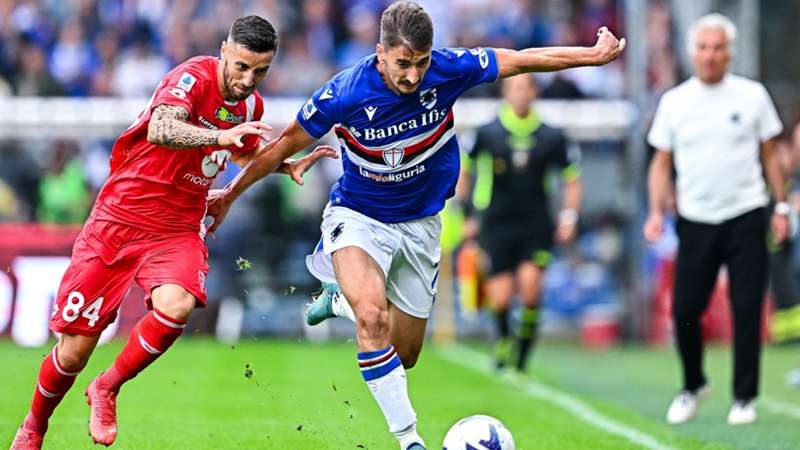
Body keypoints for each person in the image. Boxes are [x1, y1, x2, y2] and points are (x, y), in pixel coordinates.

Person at [208, 2, 624, 448]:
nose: (412, 76)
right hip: (359, 217)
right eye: (402, 64)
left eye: (421, 63)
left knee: (403, 355)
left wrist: (590, 55)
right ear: (380, 52)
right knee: (372, 317)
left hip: (421, 225)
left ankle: (341, 301)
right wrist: (229, 196)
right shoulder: (345, 93)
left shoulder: (448, 69)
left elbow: (519, 58)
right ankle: (410, 440)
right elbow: (282, 145)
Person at [10, 16, 333, 450]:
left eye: (260, 71)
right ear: (224, 50)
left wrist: (280, 163)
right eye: (241, 66)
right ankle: (34, 425)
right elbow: (163, 128)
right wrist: (223, 136)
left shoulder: (250, 106)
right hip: (120, 220)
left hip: (178, 226)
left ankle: (107, 386)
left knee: (177, 307)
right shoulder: (191, 77)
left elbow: (241, 151)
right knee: (73, 352)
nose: (248, 79)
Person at [644, 13, 787, 426]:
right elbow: (660, 163)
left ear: (729, 53)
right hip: (696, 217)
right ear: (693, 53)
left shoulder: (751, 96)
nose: (709, 56)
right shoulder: (675, 102)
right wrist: (655, 212)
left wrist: (780, 206)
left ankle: (744, 398)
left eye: (717, 48)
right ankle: (692, 384)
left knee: (746, 307)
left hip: (745, 213)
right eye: (703, 48)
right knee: (685, 307)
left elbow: (770, 154)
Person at [462, 73, 582, 375]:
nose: (520, 93)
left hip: (535, 223)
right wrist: (466, 215)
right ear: (506, 91)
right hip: (496, 222)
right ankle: (503, 338)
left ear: (534, 92)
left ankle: (522, 358)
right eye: (514, 87)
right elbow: (464, 170)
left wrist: (568, 217)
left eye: (525, 87)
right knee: (500, 295)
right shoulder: (488, 132)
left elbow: (571, 178)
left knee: (530, 290)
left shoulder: (551, 135)